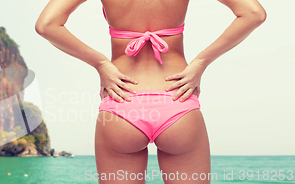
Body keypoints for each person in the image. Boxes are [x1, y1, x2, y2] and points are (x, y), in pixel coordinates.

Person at [36, 0, 266, 183]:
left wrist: (101, 63)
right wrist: (200, 62)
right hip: (177, 98)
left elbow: (46, 25)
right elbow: (253, 13)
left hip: (122, 100)